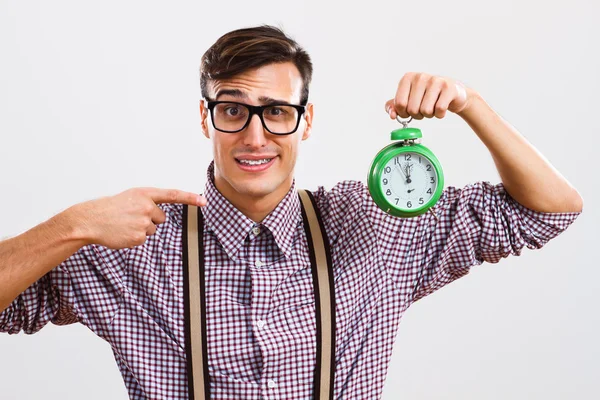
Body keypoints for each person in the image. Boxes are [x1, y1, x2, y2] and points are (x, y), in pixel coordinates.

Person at [0, 25, 583, 400]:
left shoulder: (373, 223)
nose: (255, 136)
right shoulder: (132, 242)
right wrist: (71, 226)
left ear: (306, 121)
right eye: (233, 110)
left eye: (277, 111)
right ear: (207, 119)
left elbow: (551, 210)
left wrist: (470, 105)